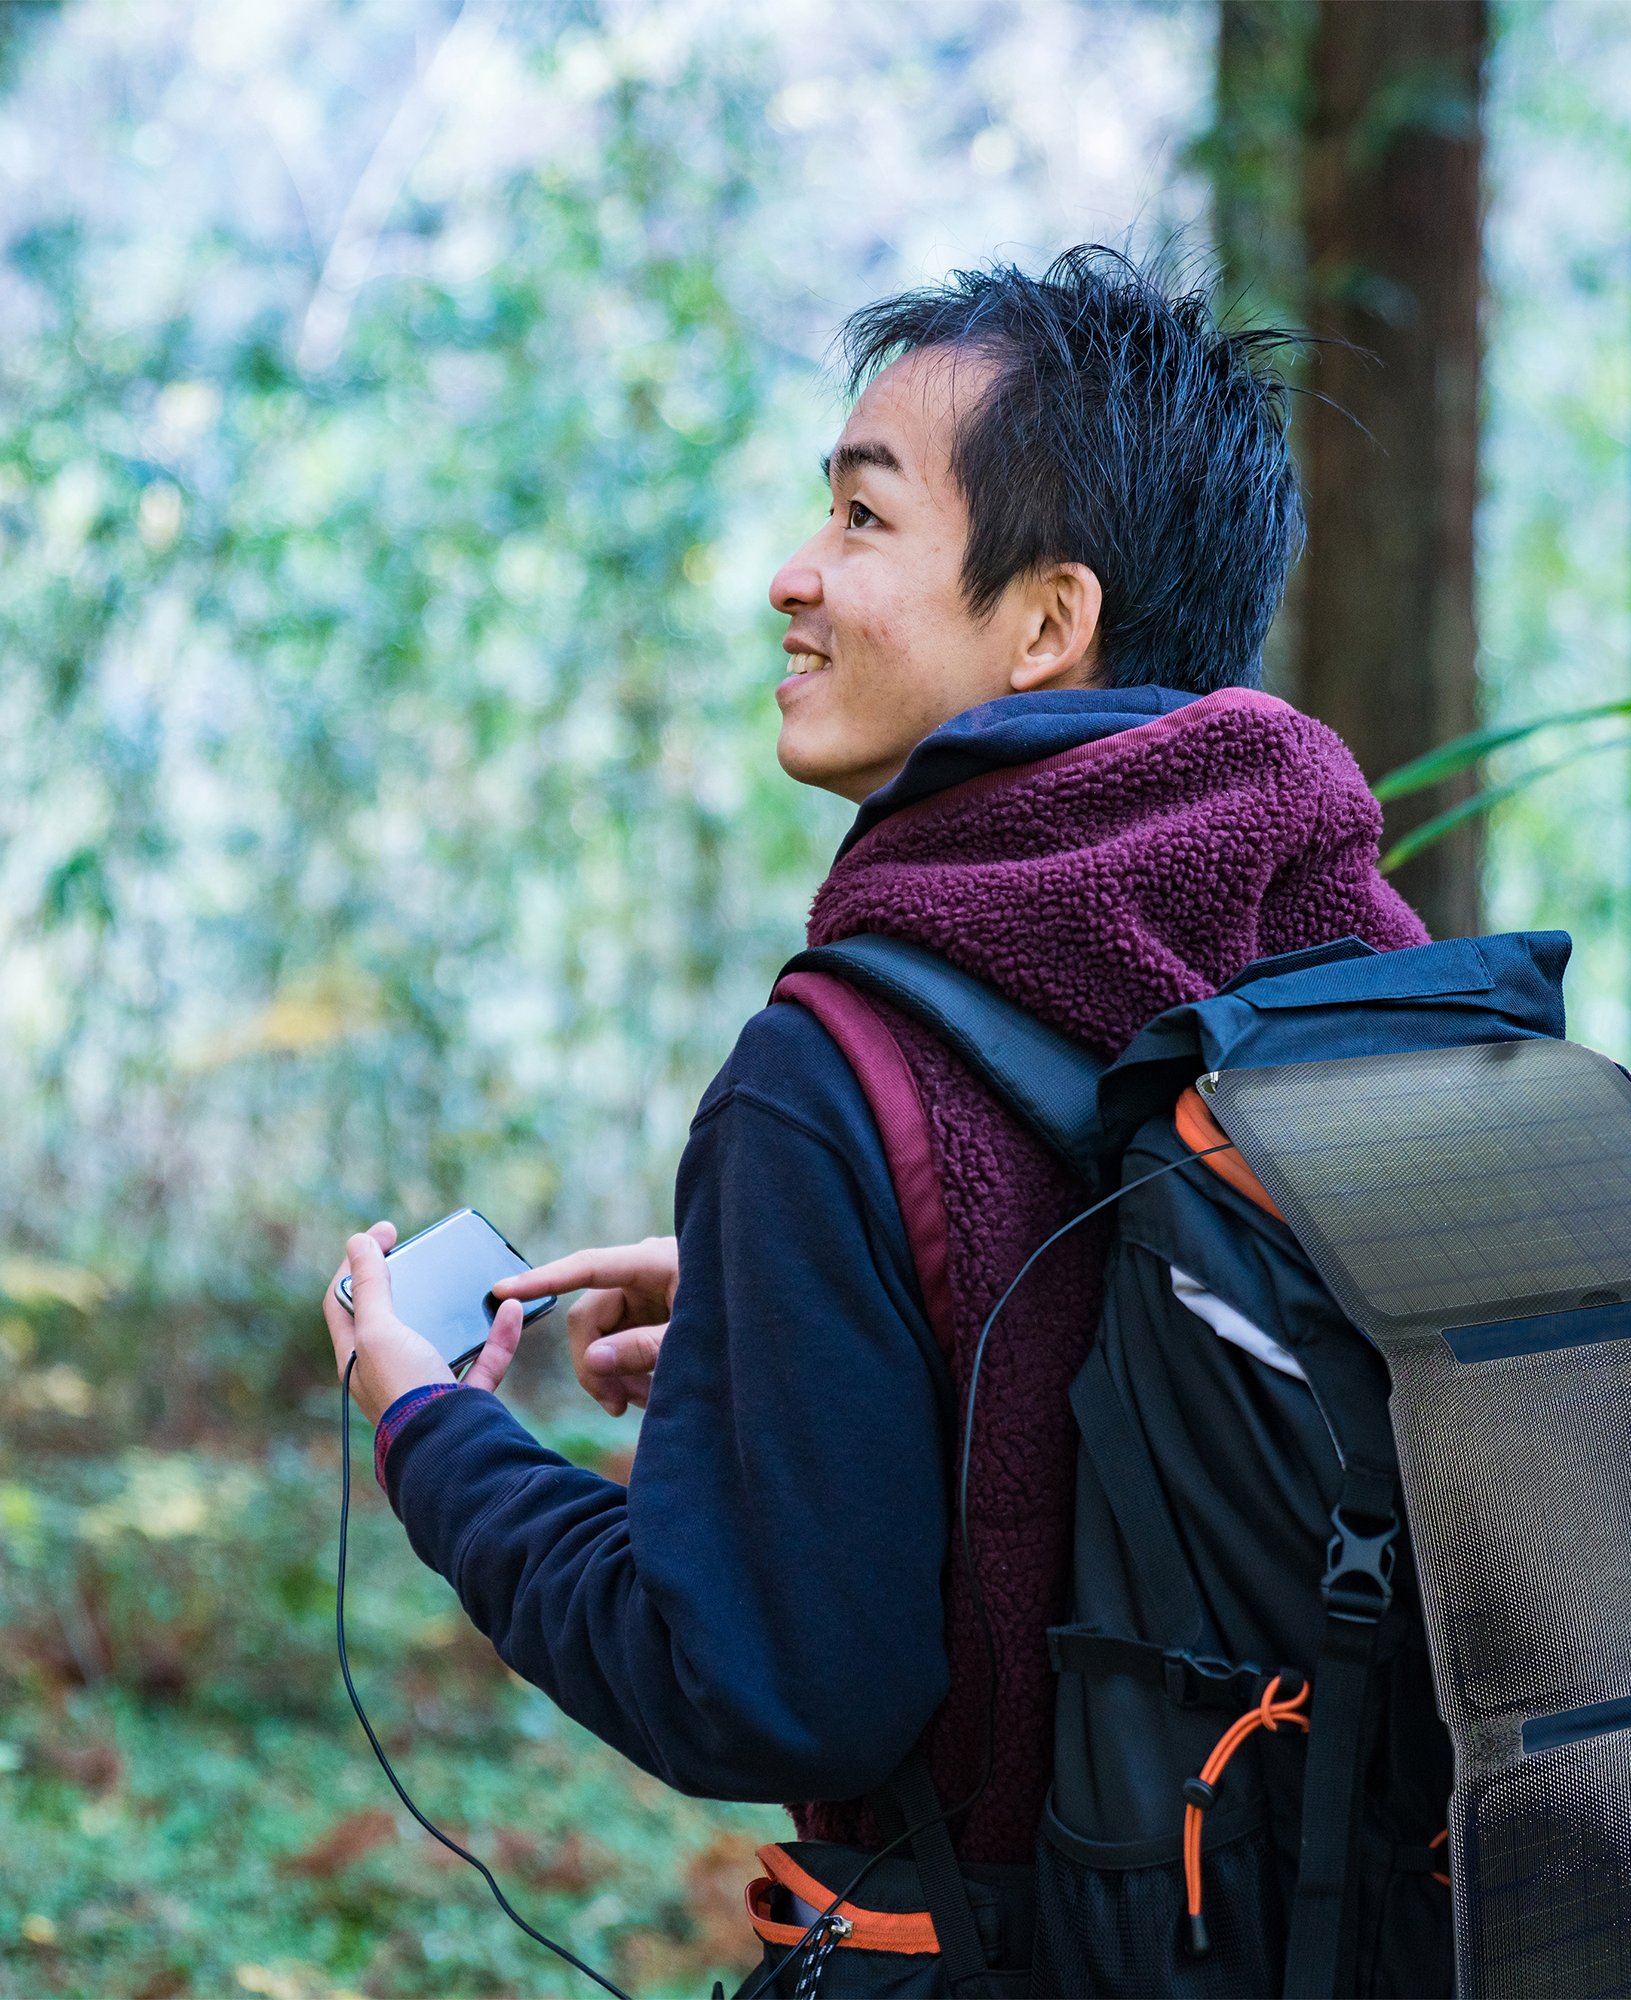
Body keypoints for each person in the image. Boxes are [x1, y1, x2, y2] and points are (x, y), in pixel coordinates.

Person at [324, 248, 1426, 1886]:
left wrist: (432, 1432)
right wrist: (804, 1311)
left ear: (1050, 621)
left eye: (862, 516)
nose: (792, 574)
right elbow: (1140, 1343)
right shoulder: (1358, 982)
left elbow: (768, 1692)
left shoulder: (832, 1075)